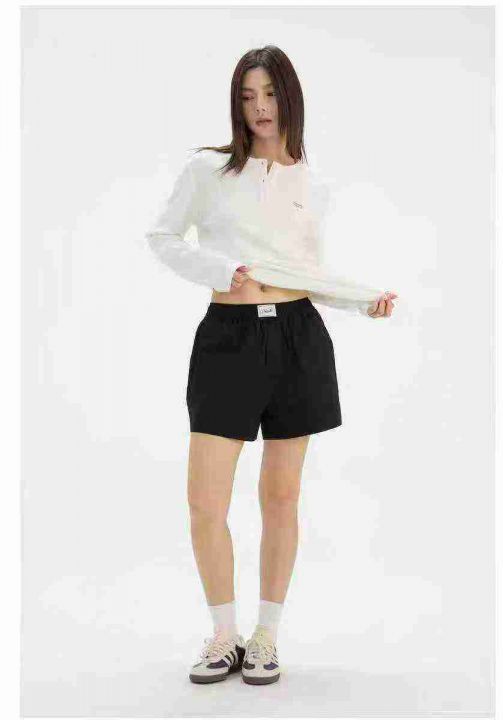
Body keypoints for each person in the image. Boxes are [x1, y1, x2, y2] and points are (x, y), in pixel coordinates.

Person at [145, 45, 397, 686]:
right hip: (227, 339)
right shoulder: (208, 170)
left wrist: (362, 302)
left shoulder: (312, 181)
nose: (259, 108)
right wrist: (219, 269)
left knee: (281, 497)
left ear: (290, 98)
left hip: (297, 338)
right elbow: (162, 237)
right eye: (247, 96)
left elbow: (306, 273)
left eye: (269, 94)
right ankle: (222, 635)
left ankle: (266, 637)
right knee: (205, 501)